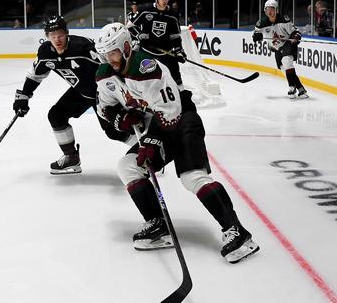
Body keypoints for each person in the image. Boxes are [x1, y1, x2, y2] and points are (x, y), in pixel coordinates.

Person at [94, 22, 260, 263]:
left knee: (192, 178)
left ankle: (237, 232)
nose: (110, 58)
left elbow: (170, 112)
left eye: (114, 52)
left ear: (126, 47)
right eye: (105, 54)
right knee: (127, 166)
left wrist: (151, 143)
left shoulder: (146, 68)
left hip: (182, 120)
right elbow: (104, 107)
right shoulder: (105, 75)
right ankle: (158, 224)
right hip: (158, 125)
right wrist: (122, 118)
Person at [12, 15, 131, 174]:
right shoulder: (46, 52)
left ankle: (147, 149)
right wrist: (24, 95)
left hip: (102, 93)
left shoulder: (83, 47)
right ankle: (71, 158)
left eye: (60, 35)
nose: (57, 39)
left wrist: (126, 88)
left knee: (114, 131)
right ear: (47, 37)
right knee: (56, 115)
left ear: (67, 33)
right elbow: (35, 74)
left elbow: (111, 64)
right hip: (81, 92)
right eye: (52, 36)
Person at [127, 0, 186, 90]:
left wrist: (179, 50)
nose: (165, 0)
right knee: (142, 78)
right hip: (146, 51)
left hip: (165, 52)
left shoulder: (172, 15)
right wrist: (139, 34)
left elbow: (175, 36)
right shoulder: (145, 10)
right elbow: (130, 27)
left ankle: (182, 98)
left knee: (176, 78)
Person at [253, 0, 308, 99]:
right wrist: (257, 36)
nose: (270, 12)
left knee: (286, 61)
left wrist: (296, 36)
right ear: (265, 11)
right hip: (276, 48)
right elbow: (256, 34)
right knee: (284, 68)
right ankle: (300, 89)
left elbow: (295, 31)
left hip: (288, 44)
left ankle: (292, 87)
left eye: (272, 9)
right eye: (267, 9)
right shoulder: (261, 23)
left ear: (276, 10)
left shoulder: (284, 19)